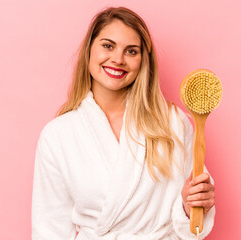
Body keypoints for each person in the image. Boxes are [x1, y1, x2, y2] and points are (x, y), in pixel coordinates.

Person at [31, 6, 215, 240]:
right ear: (90, 50)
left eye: (131, 51)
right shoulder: (57, 135)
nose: (118, 59)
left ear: (143, 61)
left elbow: (192, 216)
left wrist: (192, 207)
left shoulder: (173, 123)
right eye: (108, 45)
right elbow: (49, 229)